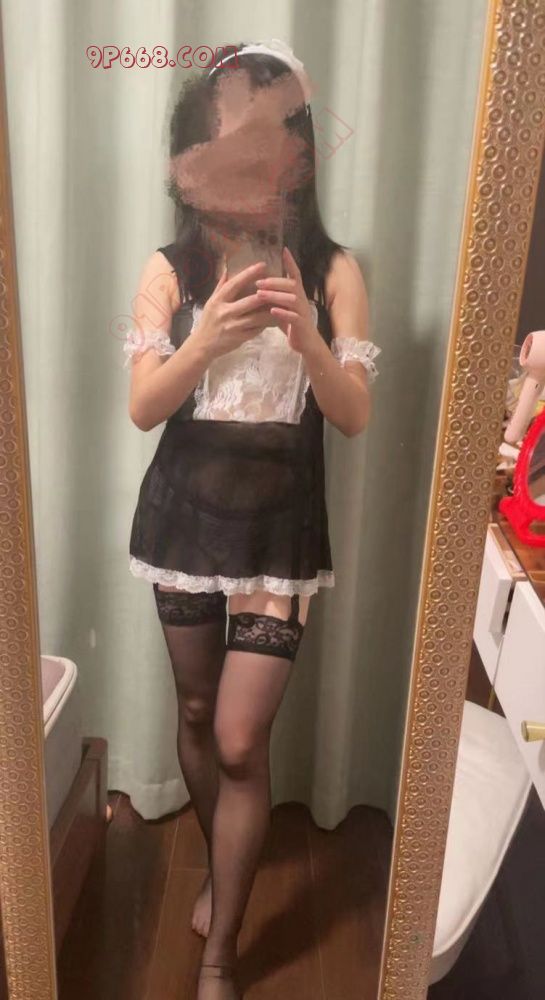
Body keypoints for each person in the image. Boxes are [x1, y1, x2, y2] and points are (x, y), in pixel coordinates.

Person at [123, 39, 381, 1000]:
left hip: (280, 530)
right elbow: (144, 409)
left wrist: (307, 335)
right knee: (195, 713)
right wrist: (203, 342)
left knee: (238, 739)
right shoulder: (170, 268)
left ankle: (222, 951)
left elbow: (352, 417)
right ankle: (224, 869)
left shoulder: (332, 269)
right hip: (182, 518)